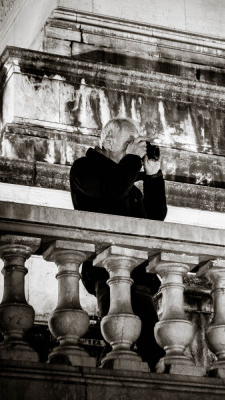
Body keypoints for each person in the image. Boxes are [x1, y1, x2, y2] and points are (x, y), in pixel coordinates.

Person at [69, 117, 167, 370]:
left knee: (151, 344)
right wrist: (133, 160)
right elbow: (109, 193)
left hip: (139, 273)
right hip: (107, 271)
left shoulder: (129, 185)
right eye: (129, 142)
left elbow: (156, 218)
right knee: (117, 337)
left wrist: (153, 176)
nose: (135, 148)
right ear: (109, 141)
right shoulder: (84, 168)